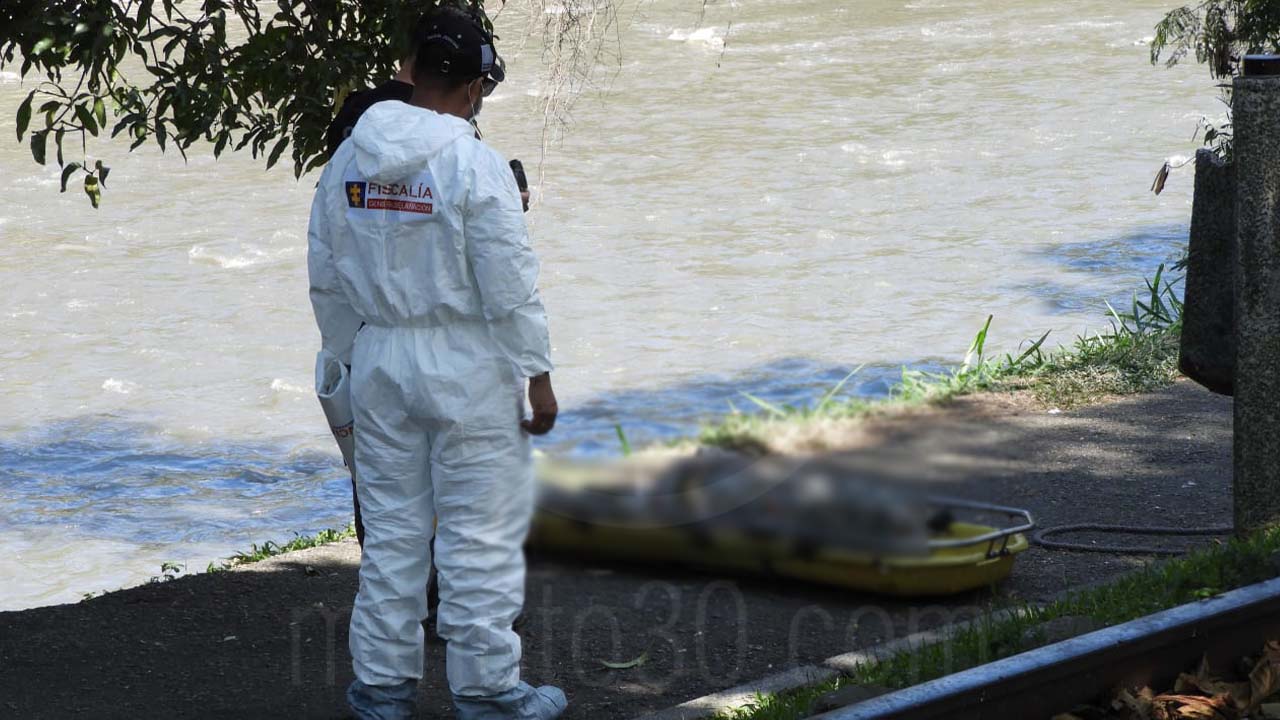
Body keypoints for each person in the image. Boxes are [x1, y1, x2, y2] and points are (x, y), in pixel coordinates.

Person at [307, 8, 565, 720]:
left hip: (380, 356)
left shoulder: (350, 156)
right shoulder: (472, 162)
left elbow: (325, 272)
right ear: (479, 85)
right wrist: (536, 373)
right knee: (475, 534)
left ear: (409, 68)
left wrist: (349, 358)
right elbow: (508, 282)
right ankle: (487, 694)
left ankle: (383, 694)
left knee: (392, 534)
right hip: (467, 364)